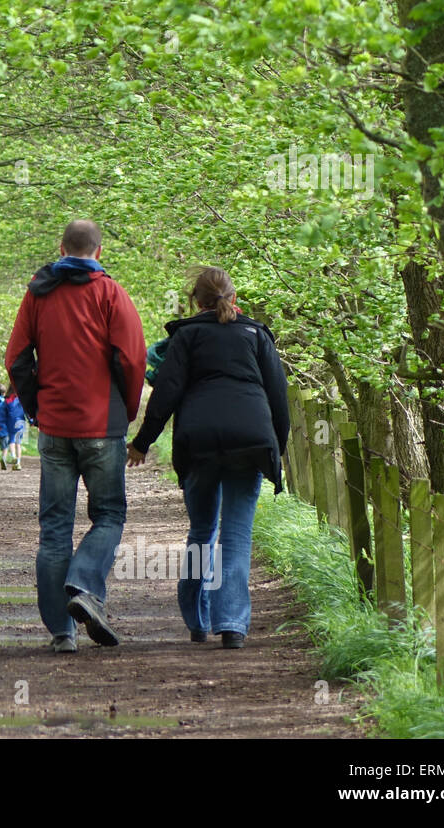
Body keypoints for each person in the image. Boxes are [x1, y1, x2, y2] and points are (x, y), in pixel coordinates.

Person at [127, 267, 289, 649]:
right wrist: (276, 450)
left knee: (202, 533)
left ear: (195, 303)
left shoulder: (186, 336)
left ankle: (197, 620)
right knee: (235, 535)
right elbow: (278, 396)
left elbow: (165, 393)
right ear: (234, 299)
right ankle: (231, 623)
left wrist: (142, 442)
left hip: (198, 442)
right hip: (250, 441)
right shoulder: (256, 334)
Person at [4, 219, 146, 653]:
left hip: (55, 427)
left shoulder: (38, 292)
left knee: (54, 528)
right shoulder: (110, 293)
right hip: (103, 425)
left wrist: (35, 405)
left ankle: (62, 633)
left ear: (61, 246)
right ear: (98, 252)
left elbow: (16, 358)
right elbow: (132, 359)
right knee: (108, 515)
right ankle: (84, 586)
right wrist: (127, 406)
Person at [0, 386, 27, 470]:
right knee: (18, 443)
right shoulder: (22, 399)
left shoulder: (6, 400)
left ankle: (13, 456)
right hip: (21, 422)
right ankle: (18, 463)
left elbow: (2, 413)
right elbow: (27, 411)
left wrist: (0, 424)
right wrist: (32, 421)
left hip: (10, 422)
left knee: (11, 441)